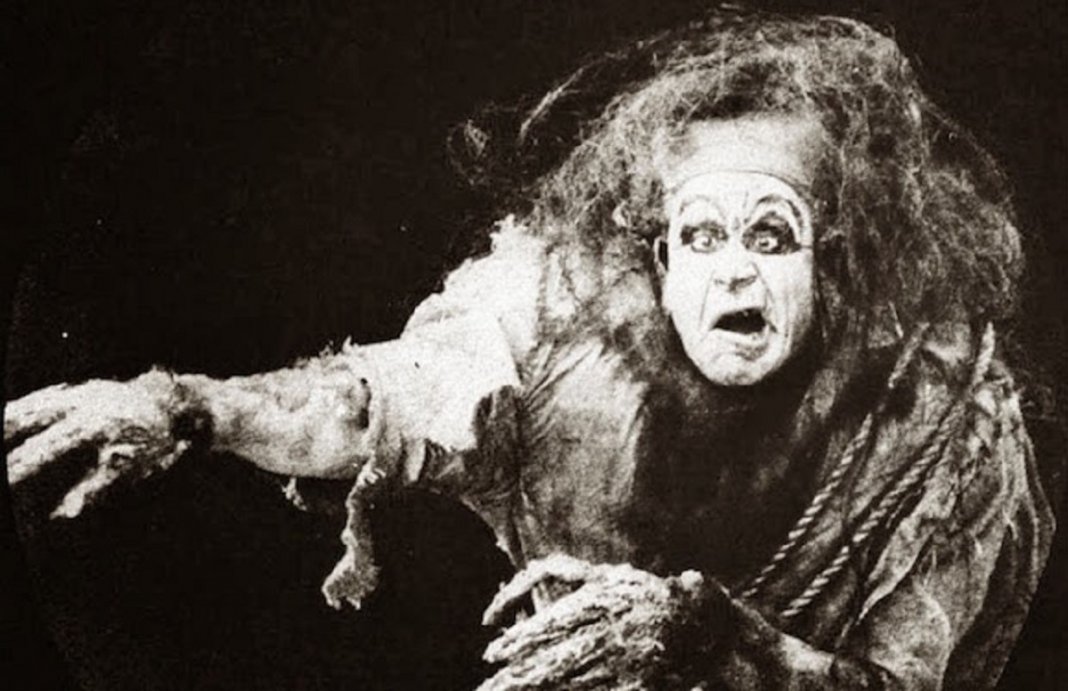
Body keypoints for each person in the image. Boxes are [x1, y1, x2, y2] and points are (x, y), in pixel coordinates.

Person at [4, 9, 1055, 690]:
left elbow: (899, 683)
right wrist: (188, 406)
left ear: (828, 258)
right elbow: (375, 400)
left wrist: (702, 641)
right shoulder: (554, 317)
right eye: (704, 237)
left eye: (771, 237)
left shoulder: (936, 412)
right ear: (659, 257)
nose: (736, 273)